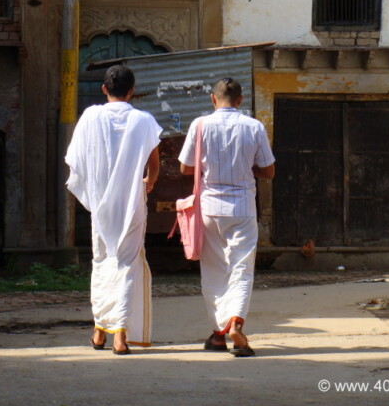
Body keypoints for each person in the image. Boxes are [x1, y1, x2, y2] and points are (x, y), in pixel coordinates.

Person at [65, 65, 161, 355]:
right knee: (127, 265)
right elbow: (153, 163)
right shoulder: (144, 120)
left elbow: (75, 160)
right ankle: (120, 334)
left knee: (102, 262)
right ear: (132, 91)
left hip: (101, 207)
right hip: (131, 206)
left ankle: (99, 331)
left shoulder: (91, 116)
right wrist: (148, 181)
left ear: (104, 89)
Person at [178, 77, 275, 357]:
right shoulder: (254, 126)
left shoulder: (200, 125)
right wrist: (246, 169)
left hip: (209, 209)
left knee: (214, 272)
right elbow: (269, 172)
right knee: (241, 269)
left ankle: (218, 335)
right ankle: (236, 322)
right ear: (241, 101)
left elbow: (186, 167)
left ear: (213, 99)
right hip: (243, 207)